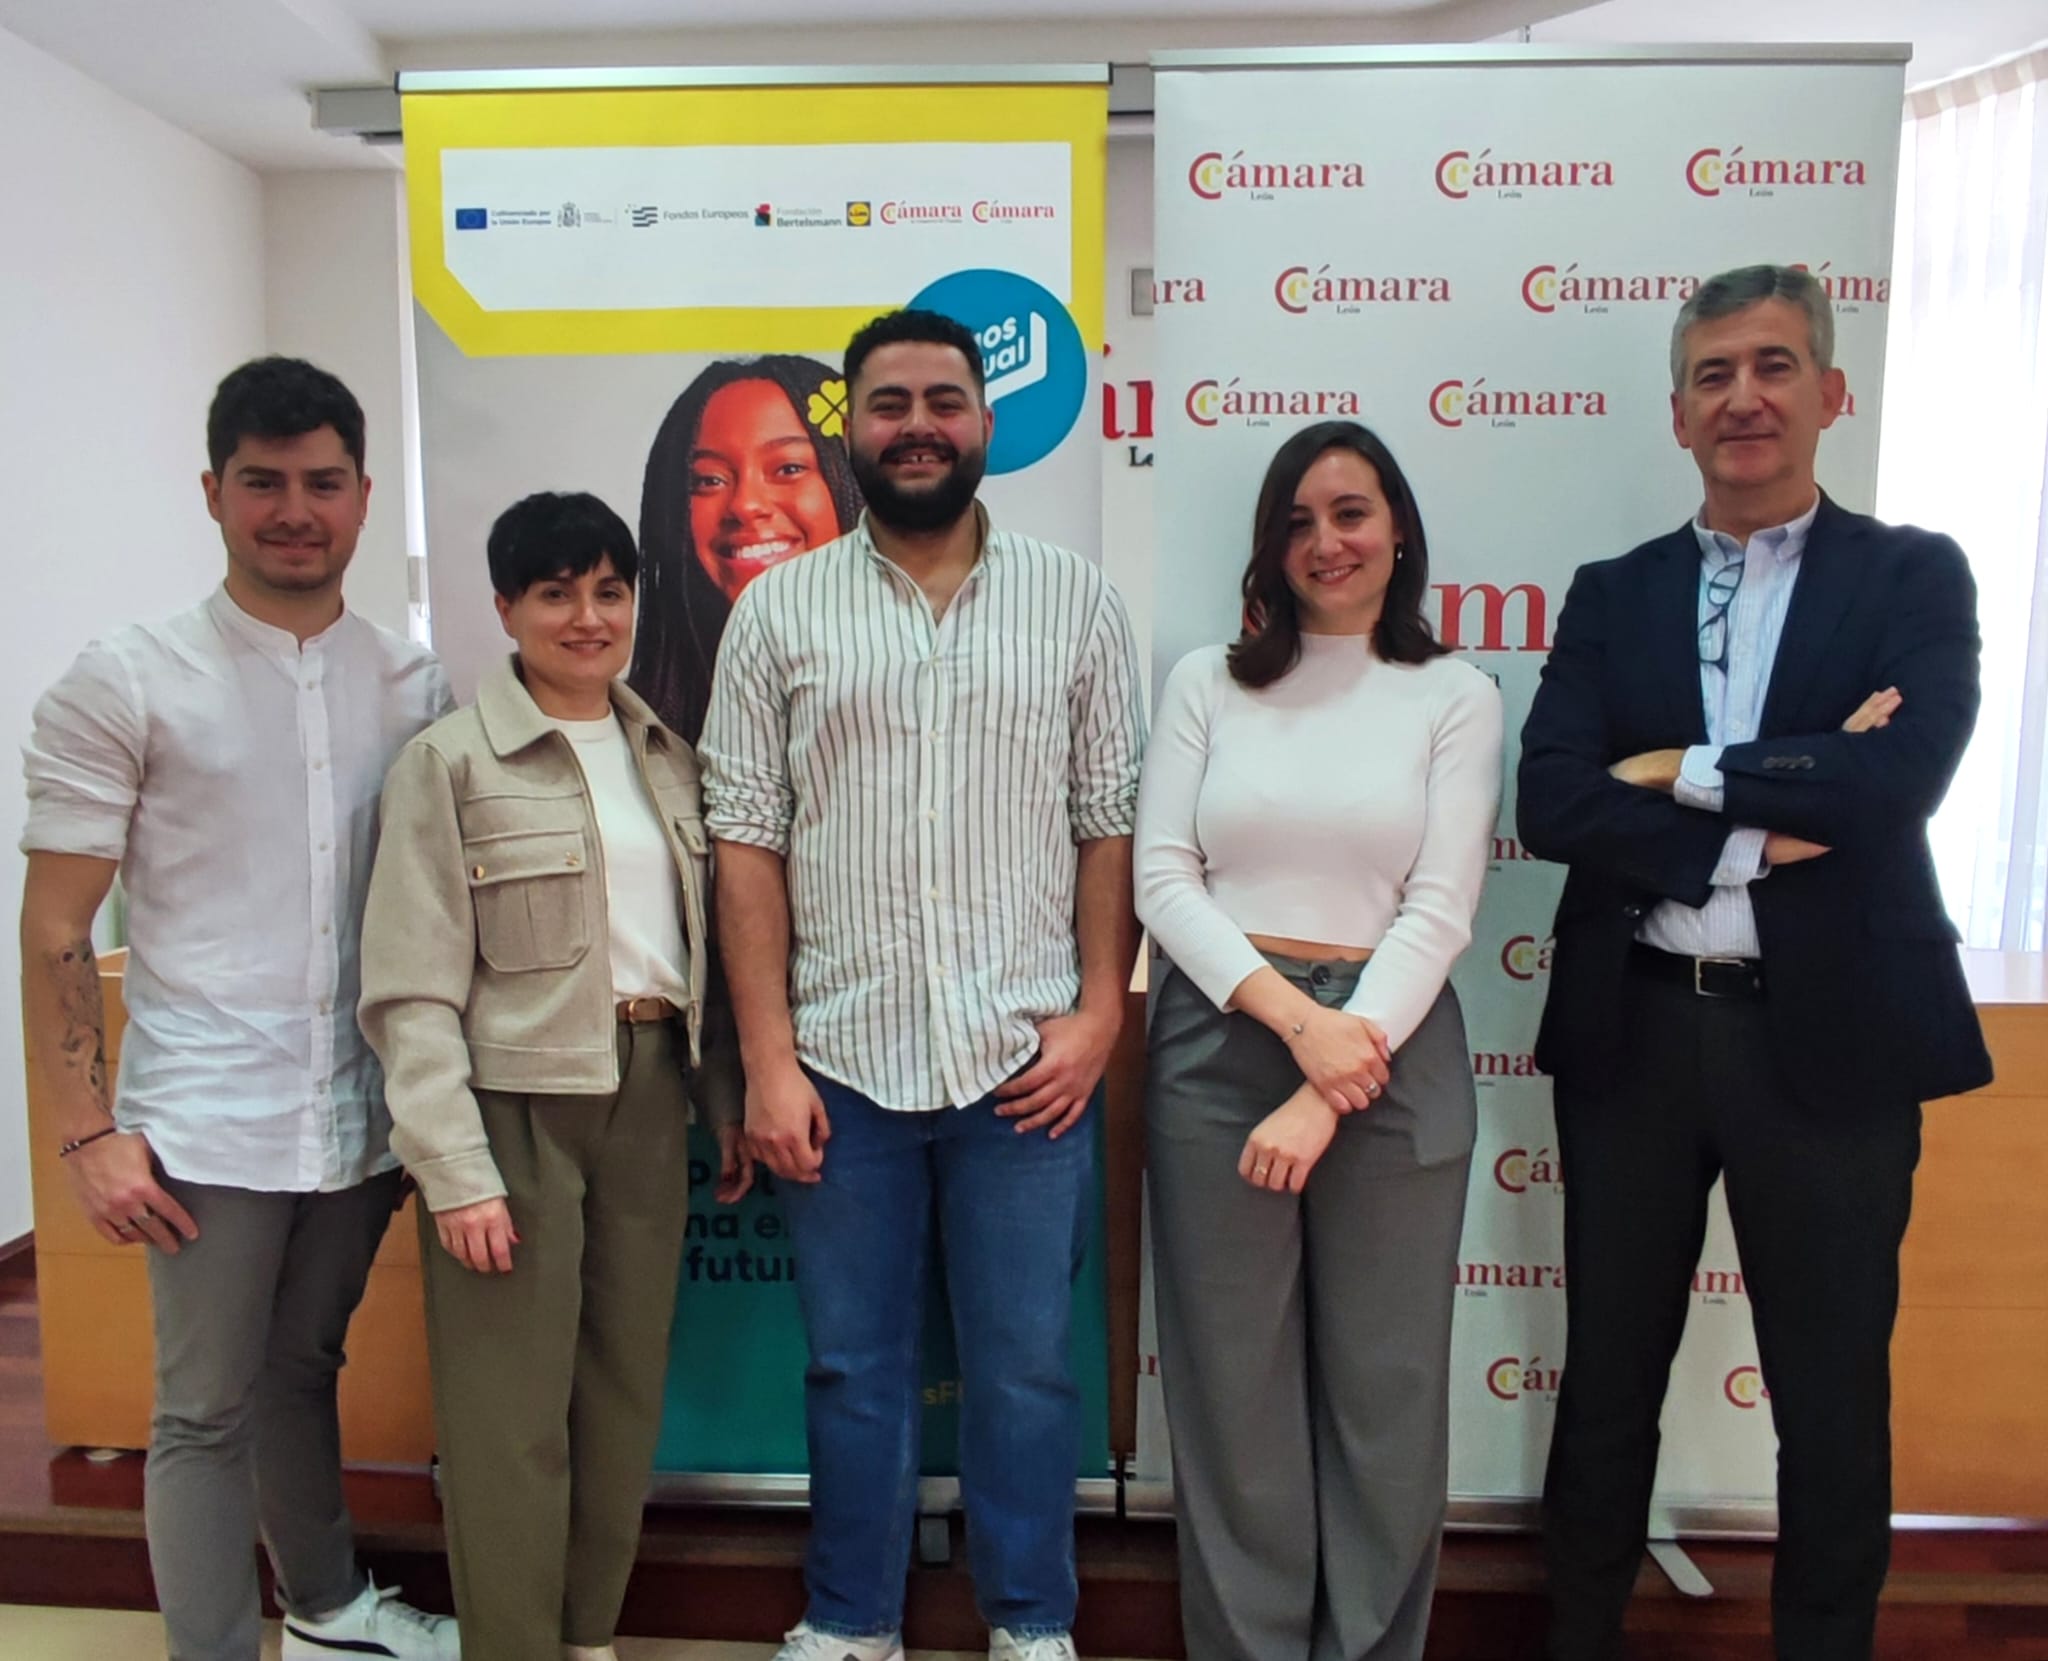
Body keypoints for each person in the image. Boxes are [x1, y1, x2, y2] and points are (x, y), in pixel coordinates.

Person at [1518, 263, 1991, 1661]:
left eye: (1775, 366)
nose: (1745, 397)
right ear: (1677, 414)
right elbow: (1556, 801)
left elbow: (1896, 778)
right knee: (1607, 1381)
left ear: (1830, 393)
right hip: (1640, 1035)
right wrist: (1763, 826)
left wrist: (1684, 772)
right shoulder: (1616, 594)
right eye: (1715, 374)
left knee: (1832, 1398)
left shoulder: (1915, 573)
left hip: (1830, 1041)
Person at [701, 308, 1146, 1661]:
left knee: (1025, 1367)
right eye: (887, 402)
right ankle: (850, 1618)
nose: (917, 425)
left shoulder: (1076, 600)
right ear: (854, 423)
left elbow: (1108, 821)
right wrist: (768, 1062)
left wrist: (1100, 1011)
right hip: (838, 1061)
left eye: (943, 399)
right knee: (851, 1368)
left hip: (1027, 1062)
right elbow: (745, 844)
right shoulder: (781, 609)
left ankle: (1030, 1618)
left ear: (984, 421)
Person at [19, 357, 458, 1661]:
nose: (293, 510)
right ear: (212, 492)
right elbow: (54, 927)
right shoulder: (127, 678)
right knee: (202, 1410)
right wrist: (88, 1130)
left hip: (360, 1109)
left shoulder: (412, 683)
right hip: (204, 1122)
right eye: (261, 482)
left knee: (299, 1373)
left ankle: (324, 1609)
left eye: (322, 483)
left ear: (365, 498)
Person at [359, 491, 747, 1661]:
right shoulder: (446, 764)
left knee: (621, 1395)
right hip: (511, 1107)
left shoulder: (666, 755)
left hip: (645, 1093)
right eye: (555, 593)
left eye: (609, 591)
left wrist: (719, 1098)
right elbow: (409, 987)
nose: (587, 617)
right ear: (504, 608)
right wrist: (454, 1168)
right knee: (506, 1416)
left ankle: (586, 1634)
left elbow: (699, 955)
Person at [1135, 420, 1502, 1661]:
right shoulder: (1206, 679)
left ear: (1396, 530)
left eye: (1349, 513)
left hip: (1387, 1054)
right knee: (1230, 1389)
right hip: (1222, 1031)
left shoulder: (1454, 693)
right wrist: (1296, 1029)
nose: (1324, 541)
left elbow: (1440, 905)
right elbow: (1162, 877)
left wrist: (1329, 1076)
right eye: (1295, 520)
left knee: (1384, 1392)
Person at [630, 355, 864, 741]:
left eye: (788, 468)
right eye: (708, 480)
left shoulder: (927, 694)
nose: (745, 504)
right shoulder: (633, 730)